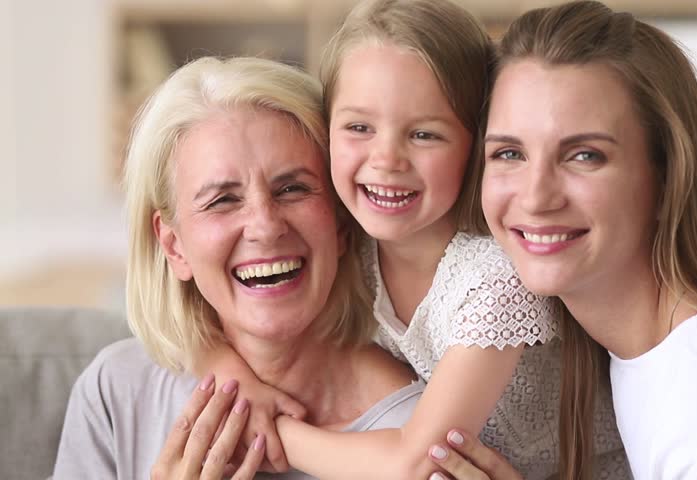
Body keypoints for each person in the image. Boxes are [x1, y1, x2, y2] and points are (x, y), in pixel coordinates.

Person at [195, 1, 628, 479]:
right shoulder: (350, 242)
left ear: (477, 144)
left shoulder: (495, 279)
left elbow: (415, 464)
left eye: (423, 134)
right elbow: (193, 313)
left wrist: (270, 429)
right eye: (359, 127)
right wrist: (231, 376)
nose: (386, 160)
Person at [427, 1, 697, 479]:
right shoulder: (651, 356)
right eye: (509, 152)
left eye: (585, 155)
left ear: (668, 174)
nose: (536, 196)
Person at [52, 56, 425, 479]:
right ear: (173, 246)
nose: (265, 227)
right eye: (223, 200)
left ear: (340, 223)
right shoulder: (116, 392)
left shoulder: (423, 435)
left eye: (292, 188)